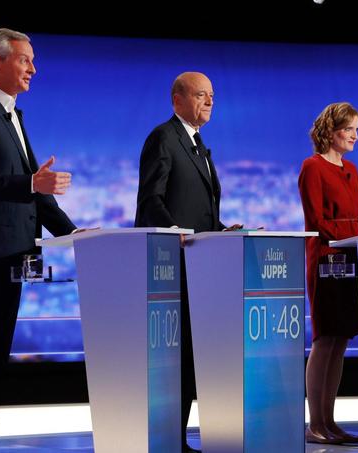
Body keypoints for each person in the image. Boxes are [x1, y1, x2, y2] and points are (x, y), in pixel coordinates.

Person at [0, 28, 84, 452]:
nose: (33, 68)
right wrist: (31, 181)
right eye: (26, 60)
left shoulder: (9, 113)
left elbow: (34, 193)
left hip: (11, 253)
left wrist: (75, 234)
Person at [135, 71, 240, 453]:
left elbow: (202, 211)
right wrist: (172, 228)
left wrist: (223, 231)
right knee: (173, 359)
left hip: (199, 265)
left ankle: (176, 438)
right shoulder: (164, 137)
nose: (210, 101)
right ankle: (166, 439)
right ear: (177, 99)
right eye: (201, 95)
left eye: (212, 95)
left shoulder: (198, 144)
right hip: (170, 265)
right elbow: (151, 199)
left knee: (190, 357)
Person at [298, 102, 358, 445]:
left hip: (351, 260)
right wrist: (353, 234)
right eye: (350, 130)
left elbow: (357, 216)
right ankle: (316, 423)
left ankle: (330, 422)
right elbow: (316, 221)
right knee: (324, 339)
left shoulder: (352, 170)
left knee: (341, 341)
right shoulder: (312, 167)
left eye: (357, 130)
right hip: (326, 261)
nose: (355, 137)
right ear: (332, 132)